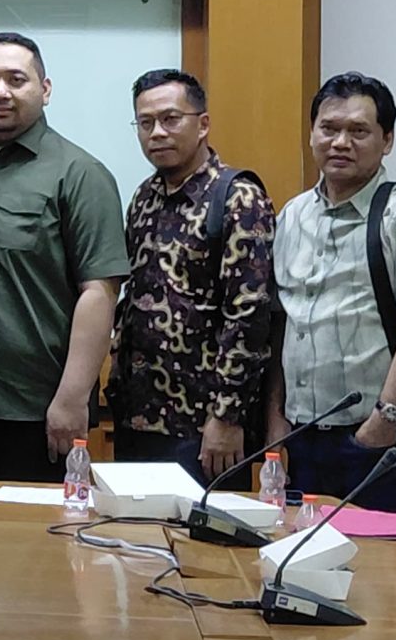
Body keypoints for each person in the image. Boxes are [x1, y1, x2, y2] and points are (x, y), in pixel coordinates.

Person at [0, 33, 128, 481]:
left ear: (45, 89)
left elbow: (100, 292)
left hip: (31, 407)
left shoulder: (81, 173)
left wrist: (72, 398)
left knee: (24, 527)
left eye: (16, 80)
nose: (0, 92)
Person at [268, 72, 396, 514]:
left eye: (358, 131)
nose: (340, 143)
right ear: (312, 134)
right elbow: (284, 323)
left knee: (378, 558)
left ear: (387, 140)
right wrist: (275, 422)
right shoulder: (293, 215)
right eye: (329, 129)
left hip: (375, 437)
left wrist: (384, 419)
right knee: (297, 552)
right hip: (299, 437)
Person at [110, 69, 278, 483]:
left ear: (202, 124)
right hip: (138, 414)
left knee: (203, 526)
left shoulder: (238, 197)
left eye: (170, 119)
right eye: (145, 122)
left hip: (203, 425)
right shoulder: (144, 197)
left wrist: (227, 416)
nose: (157, 133)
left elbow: (249, 317)